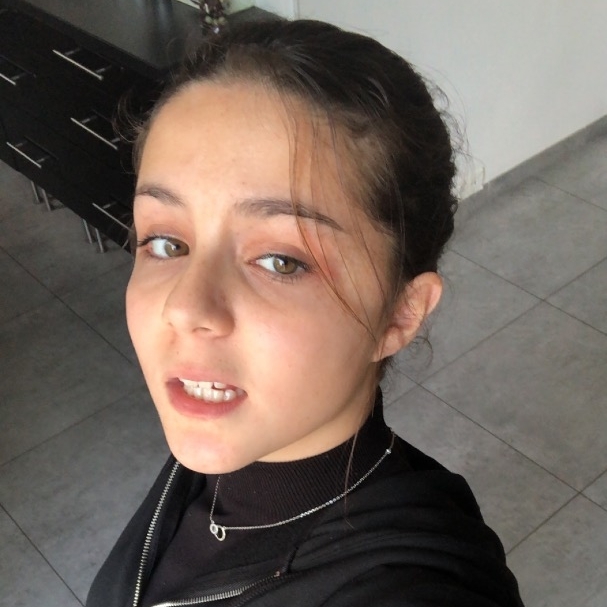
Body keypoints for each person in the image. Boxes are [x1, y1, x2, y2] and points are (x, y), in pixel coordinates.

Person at [87, 18, 524, 607]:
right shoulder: (231, 443)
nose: (185, 308)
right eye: (166, 242)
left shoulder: (411, 588)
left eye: (281, 261)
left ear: (400, 314)